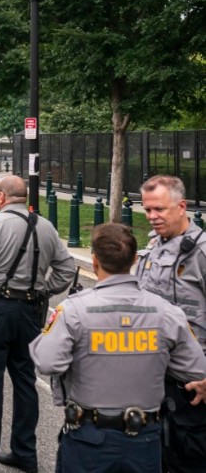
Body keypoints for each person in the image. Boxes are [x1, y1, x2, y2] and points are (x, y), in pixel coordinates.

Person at [31, 223, 206, 473]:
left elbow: (46, 362)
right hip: (144, 439)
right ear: (135, 259)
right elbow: (197, 369)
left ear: (94, 262)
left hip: (88, 438)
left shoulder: (73, 311)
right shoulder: (168, 314)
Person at [0, 176, 76, 473]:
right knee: (25, 381)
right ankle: (25, 451)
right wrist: (46, 289)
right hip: (31, 311)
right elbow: (68, 268)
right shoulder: (46, 227)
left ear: (0, 197)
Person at [135, 175, 206, 472]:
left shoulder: (201, 252)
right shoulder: (155, 247)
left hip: (192, 385)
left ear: (181, 206)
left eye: (159, 209)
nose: (152, 216)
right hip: (153, 379)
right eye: (148, 209)